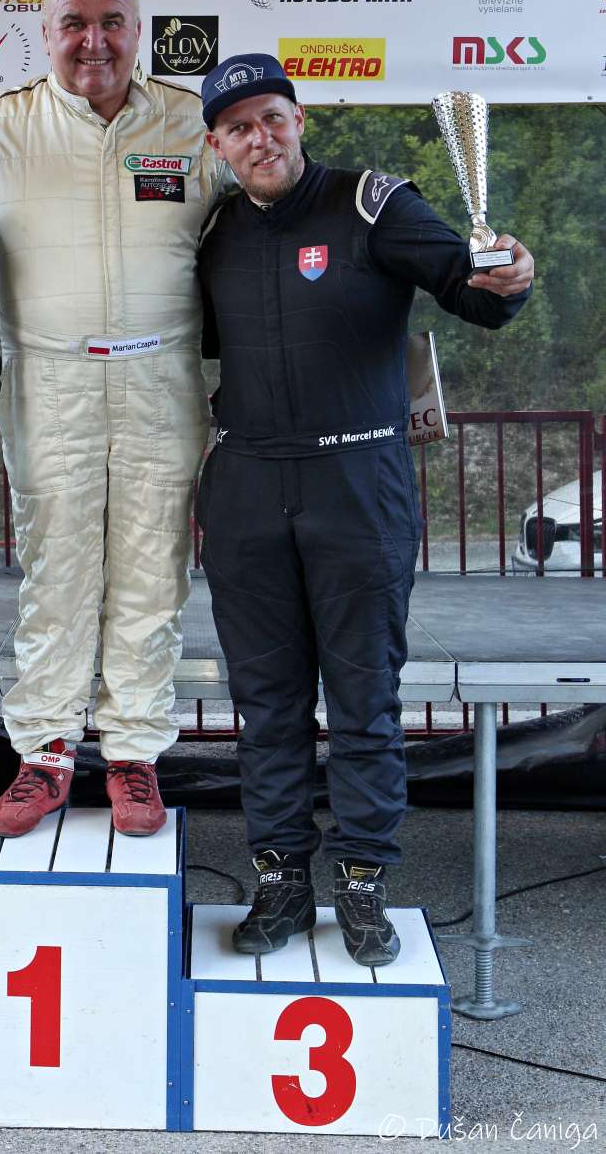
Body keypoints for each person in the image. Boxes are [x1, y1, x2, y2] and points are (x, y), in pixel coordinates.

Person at [196, 53, 534, 965]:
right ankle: (280, 877)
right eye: (238, 128)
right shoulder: (213, 228)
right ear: (217, 145)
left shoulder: (371, 202)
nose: (260, 138)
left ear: (299, 120)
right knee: (266, 704)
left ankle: (362, 881)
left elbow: (475, 291)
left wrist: (511, 274)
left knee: (364, 701)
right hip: (247, 485)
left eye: (273, 118)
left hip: (357, 482)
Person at [0, 0, 231, 838]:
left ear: (140, 28)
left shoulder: (193, 124)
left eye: (112, 22)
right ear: (46, 32)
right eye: (74, 24)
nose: (94, 41)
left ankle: (133, 754)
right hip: (48, 377)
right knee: (56, 571)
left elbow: (280, 207)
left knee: (152, 571)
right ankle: (46, 751)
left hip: (162, 376)